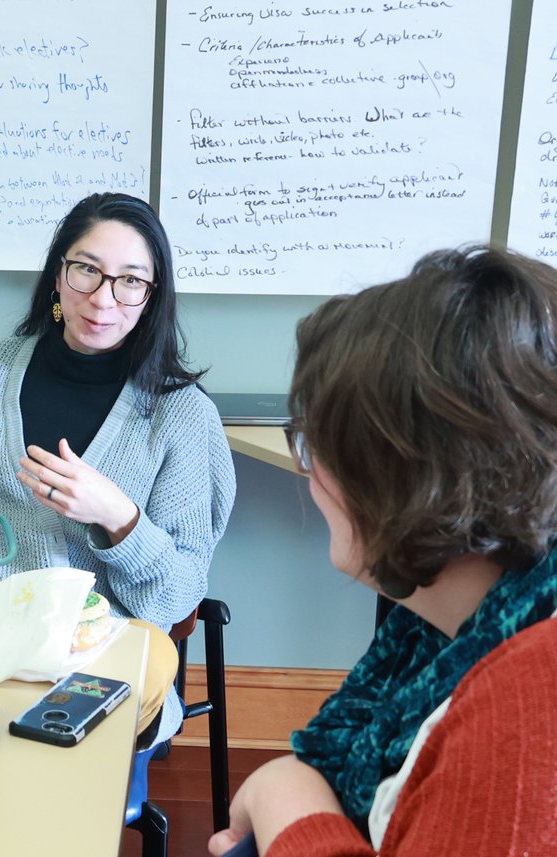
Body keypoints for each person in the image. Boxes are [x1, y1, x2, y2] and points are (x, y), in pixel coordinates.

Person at [208, 246, 557, 857]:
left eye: (318, 446)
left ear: (403, 482)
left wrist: (283, 795)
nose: (309, 476)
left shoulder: (529, 705)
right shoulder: (445, 634)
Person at [0, 193, 237, 742]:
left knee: (27, 765)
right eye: (87, 269)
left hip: (95, 656)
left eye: (131, 280)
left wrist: (118, 517)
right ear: (59, 275)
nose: (104, 298)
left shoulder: (182, 415)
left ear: (152, 297)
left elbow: (175, 599)